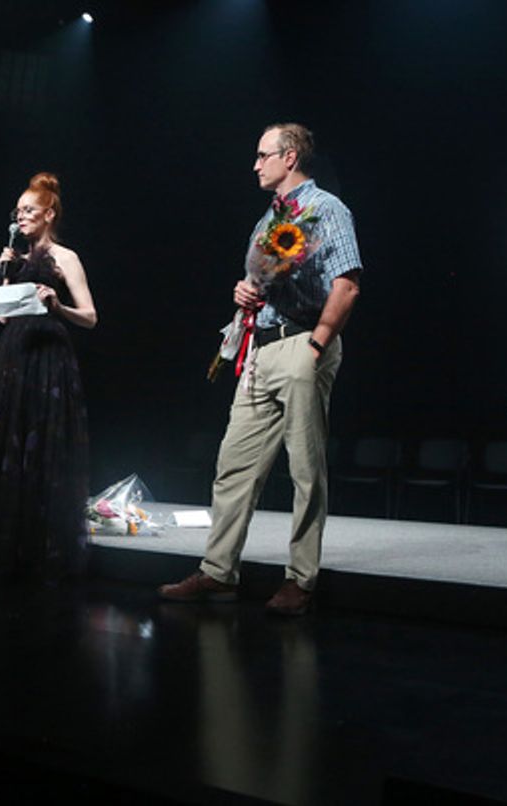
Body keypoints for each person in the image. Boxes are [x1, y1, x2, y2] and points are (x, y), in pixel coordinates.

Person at [158, 122, 363, 616]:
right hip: (260, 348)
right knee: (234, 465)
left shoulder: (325, 209)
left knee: (305, 471)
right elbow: (260, 280)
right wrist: (244, 292)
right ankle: (217, 570)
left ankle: (301, 579)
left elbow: (348, 282)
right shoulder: (268, 219)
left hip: (301, 342)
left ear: (289, 157)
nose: (255, 164)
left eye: (262, 155)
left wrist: (316, 346)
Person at [0, 172, 97, 578]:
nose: (21, 217)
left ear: (49, 213)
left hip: (48, 358)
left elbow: (90, 317)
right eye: (17, 212)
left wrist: (57, 306)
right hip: (13, 354)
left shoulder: (65, 258)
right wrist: (3, 270)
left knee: (41, 447)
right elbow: (2, 316)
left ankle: (42, 546)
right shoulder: (12, 259)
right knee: (7, 446)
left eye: (29, 210)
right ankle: (5, 541)